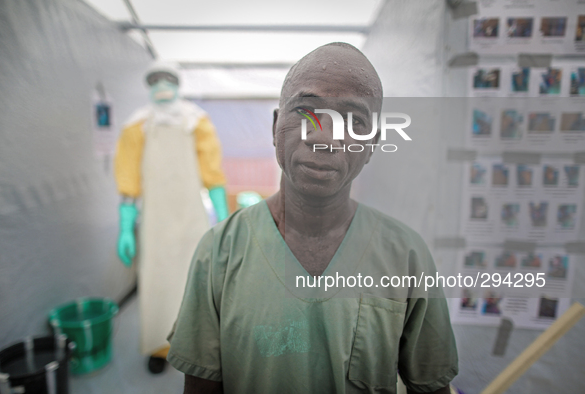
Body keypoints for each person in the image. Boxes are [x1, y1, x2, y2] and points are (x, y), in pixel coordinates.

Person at [167, 43, 458, 393]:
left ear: (373, 143)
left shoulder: (406, 256)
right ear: (276, 126)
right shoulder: (219, 252)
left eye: (354, 121)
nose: (323, 138)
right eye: (305, 112)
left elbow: (431, 386)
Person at [113, 61, 229, 373]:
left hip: (192, 219)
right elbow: (128, 182)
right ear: (148, 85)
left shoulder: (197, 121)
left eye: (168, 78)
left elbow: (213, 175)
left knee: (199, 283)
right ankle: (160, 346)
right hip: (155, 224)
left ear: (178, 83)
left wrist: (224, 220)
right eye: (155, 79)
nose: (162, 84)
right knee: (157, 284)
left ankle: (200, 345)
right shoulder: (136, 126)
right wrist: (126, 228)